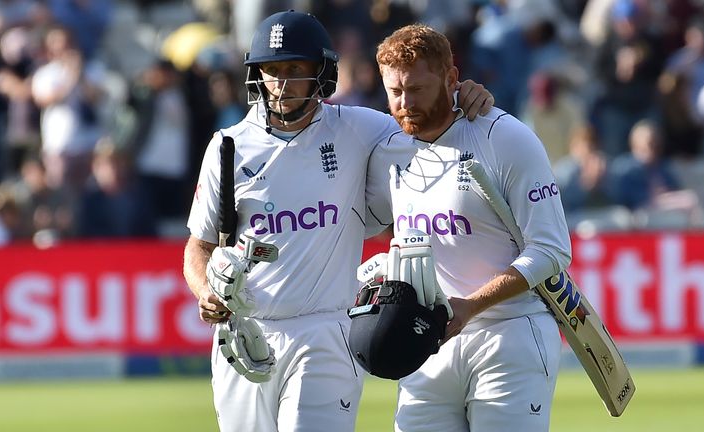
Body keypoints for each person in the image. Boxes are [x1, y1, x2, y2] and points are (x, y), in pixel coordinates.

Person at [181, 10, 493, 432]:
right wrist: (205, 291)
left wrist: (462, 96)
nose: (282, 82)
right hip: (245, 334)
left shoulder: (360, 128)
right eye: (272, 70)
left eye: (295, 69)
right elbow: (198, 246)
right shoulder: (228, 146)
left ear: (322, 74)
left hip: (326, 330)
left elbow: (427, 121)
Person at [365, 24, 572, 431]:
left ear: (451, 78)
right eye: (394, 92)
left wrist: (470, 306)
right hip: (427, 343)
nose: (405, 103)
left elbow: (551, 250)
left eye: (417, 89)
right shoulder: (389, 147)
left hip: (510, 334)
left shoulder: (504, 136)